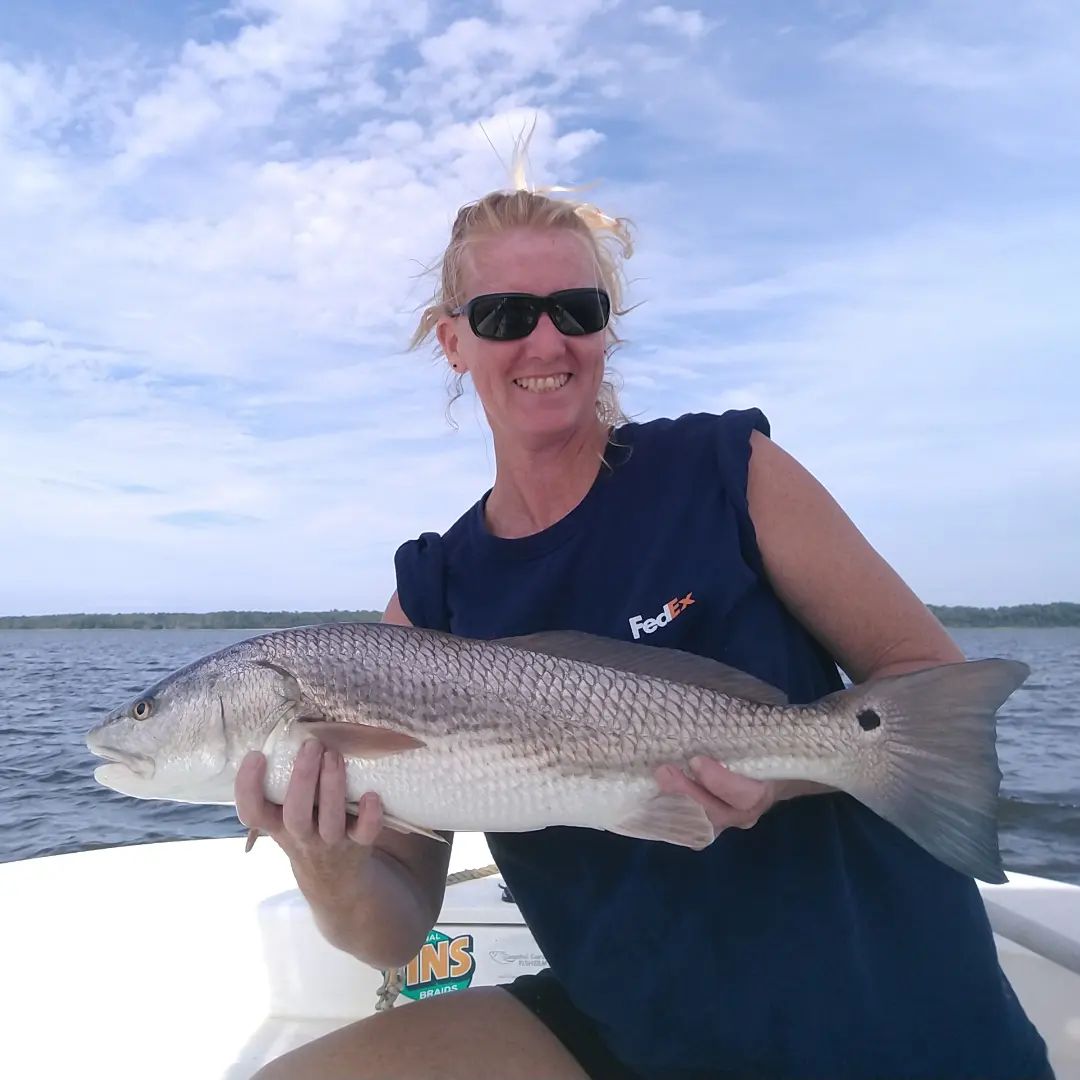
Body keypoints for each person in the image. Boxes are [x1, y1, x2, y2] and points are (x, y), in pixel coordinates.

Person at [239, 168, 1053, 1079]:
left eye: (576, 309)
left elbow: (923, 682)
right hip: (632, 1027)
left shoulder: (725, 471)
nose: (546, 339)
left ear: (603, 331)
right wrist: (325, 862)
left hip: (872, 1008)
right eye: (506, 314)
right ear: (453, 343)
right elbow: (392, 934)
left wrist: (779, 774)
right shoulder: (431, 598)